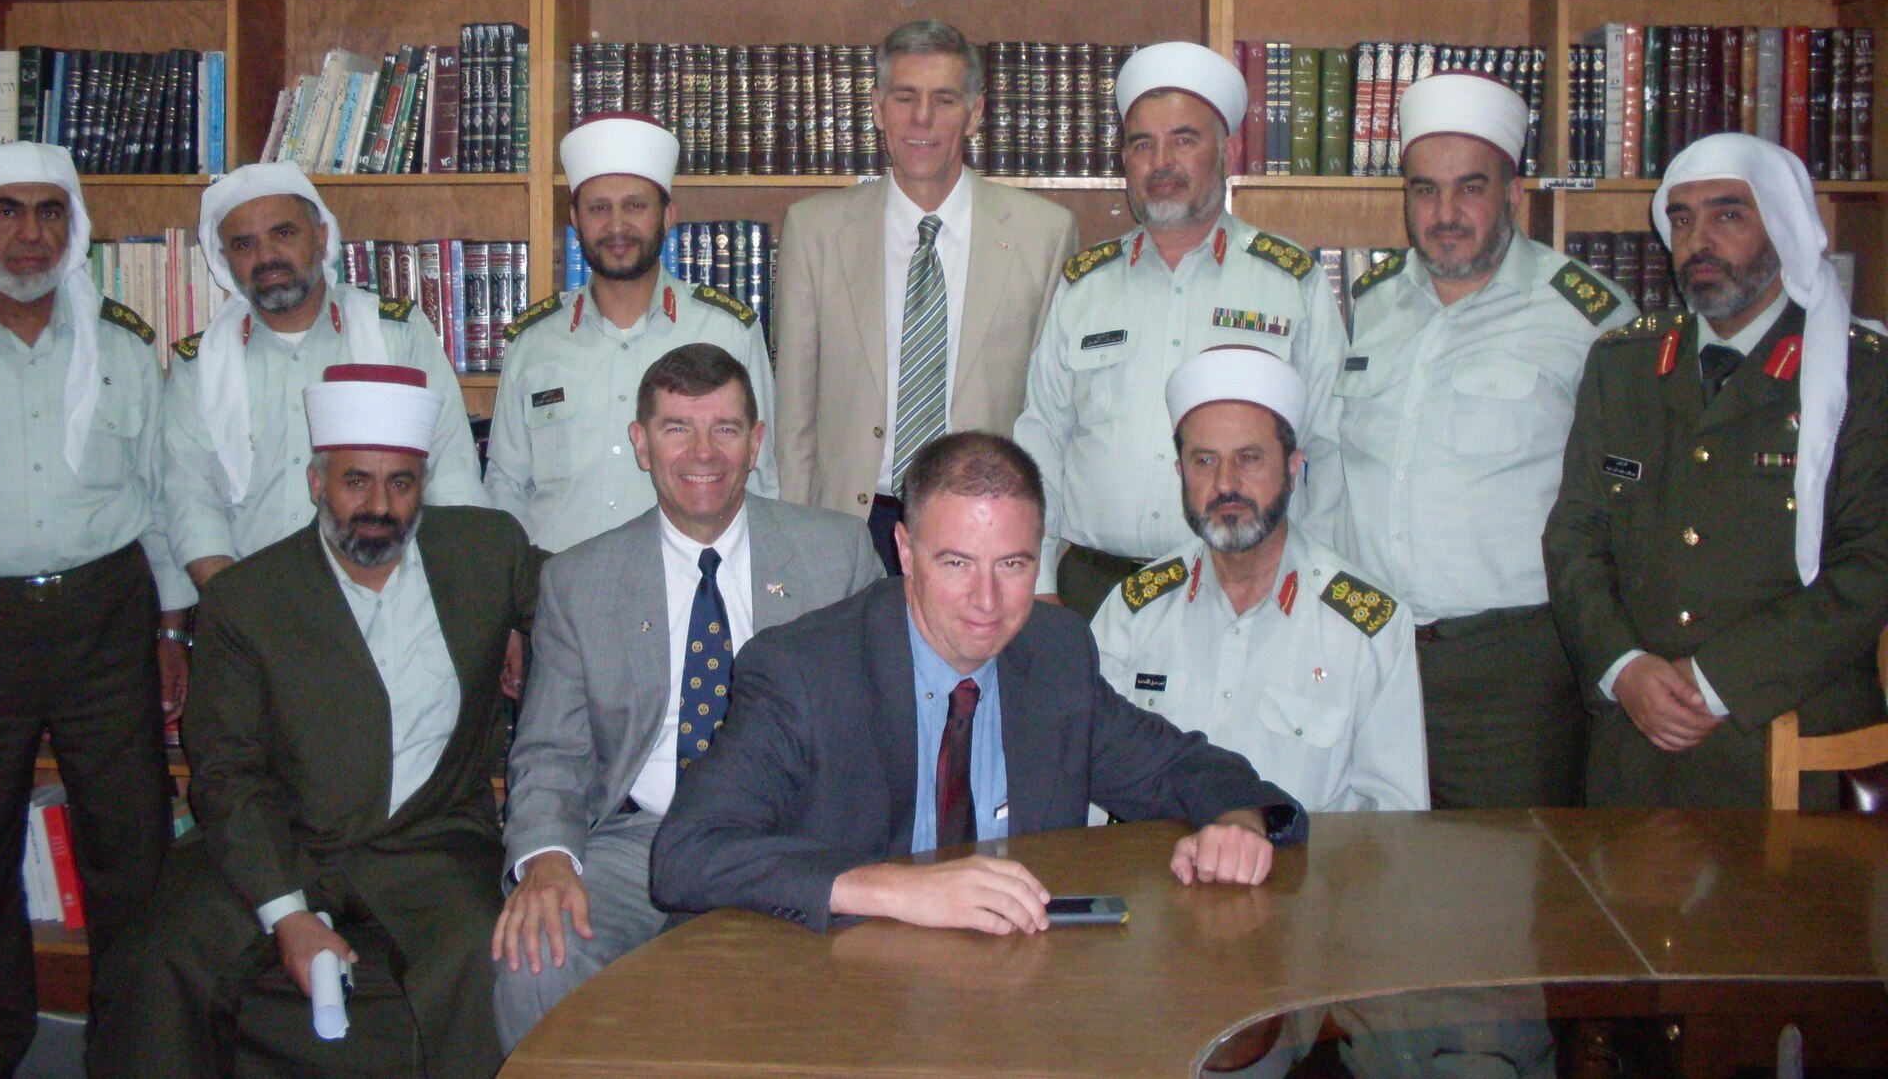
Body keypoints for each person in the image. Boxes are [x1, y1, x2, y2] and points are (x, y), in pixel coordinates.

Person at [650, 432, 1305, 936]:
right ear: (904, 552)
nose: (987, 600)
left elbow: (1179, 767)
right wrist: (893, 890)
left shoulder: (1052, 656)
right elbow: (687, 855)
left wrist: (1237, 821)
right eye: (957, 562)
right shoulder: (804, 672)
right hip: (840, 994)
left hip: (1008, 990)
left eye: (1013, 564)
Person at [88, 364, 542, 1079]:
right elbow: (226, 773)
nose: (380, 506)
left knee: (492, 960)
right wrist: (288, 915)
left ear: (424, 485)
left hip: (430, 844)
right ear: (316, 483)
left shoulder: (487, 552)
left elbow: (591, 598)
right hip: (281, 841)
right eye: (356, 480)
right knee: (154, 966)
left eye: (402, 483)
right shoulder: (247, 598)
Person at [0, 143, 190, 1077]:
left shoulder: (124, 342)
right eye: (7, 212)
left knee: (131, 852)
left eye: (49, 213)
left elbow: (163, 496)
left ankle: (137, 1047)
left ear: (75, 226)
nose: (29, 235)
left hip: (106, 615)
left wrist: (173, 627)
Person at [490, 344, 881, 1051]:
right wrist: (546, 859)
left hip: (791, 842)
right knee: (532, 959)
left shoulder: (839, 554)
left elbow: (883, 725)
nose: (703, 452)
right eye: (677, 428)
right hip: (639, 842)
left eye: (726, 429)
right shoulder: (579, 581)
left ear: (756, 441)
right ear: (641, 443)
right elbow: (549, 752)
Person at [1546, 132, 1888, 808]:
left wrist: (1717, 679)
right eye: (1681, 218)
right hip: (1637, 735)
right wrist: (1624, 668)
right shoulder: (1625, 364)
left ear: (1783, 227)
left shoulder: (1861, 373)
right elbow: (1575, 537)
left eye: (1728, 215)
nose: (1698, 239)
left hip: (1789, 739)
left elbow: (1872, 564)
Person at [1336, 73, 1634, 808]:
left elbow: (1631, 502)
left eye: (1470, 188)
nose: (1444, 214)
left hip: (1512, 673)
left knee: (1501, 893)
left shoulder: (1587, 316)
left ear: (1513, 193)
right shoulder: (1367, 307)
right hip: (1366, 656)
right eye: (1423, 190)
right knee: (1368, 882)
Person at [1015, 42, 1348, 618]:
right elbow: (1043, 435)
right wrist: (1039, 576)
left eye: (1184, 140)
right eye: (1143, 144)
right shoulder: (1084, 284)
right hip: (1092, 587)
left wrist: (1307, 588)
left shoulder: (1289, 283)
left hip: (1238, 587)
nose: (1161, 161)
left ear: (1226, 152)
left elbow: (1326, 446)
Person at [774, 19, 1075, 574]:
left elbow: (1048, 418)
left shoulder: (1044, 235)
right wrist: (794, 544)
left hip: (983, 529)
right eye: (904, 97)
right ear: (877, 106)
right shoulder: (813, 231)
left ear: (976, 112)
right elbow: (795, 418)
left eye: (944, 99)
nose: (921, 118)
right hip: (847, 526)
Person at [1094, 347, 1426, 815]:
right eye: (1204, 461)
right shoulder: (1134, 611)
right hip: (1151, 878)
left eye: (1249, 458)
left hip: (1305, 882)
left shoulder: (1370, 628)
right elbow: (1087, 784)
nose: (1226, 483)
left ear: (1293, 467)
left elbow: (1396, 822)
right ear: (1180, 472)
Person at [162, 161, 484, 589]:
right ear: (225, 260)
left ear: (321, 236)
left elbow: (451, 470)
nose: (266, 256)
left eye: (284, 233)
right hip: (255, 598)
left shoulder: (397, 334)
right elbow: (191, 502)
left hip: (397, 596)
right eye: (244, 244)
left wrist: (467, 594)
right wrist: (237, 610)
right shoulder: (198, 367)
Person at [485, 113, 777, 552]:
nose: (617, 227)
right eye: (598, 208)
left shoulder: (728, 332)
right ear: (575, 219)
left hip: (692, 595)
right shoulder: (533, 343)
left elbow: (762, 482)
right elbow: (505, 491)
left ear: (668, 215)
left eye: (635, 206)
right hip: (558, 594)